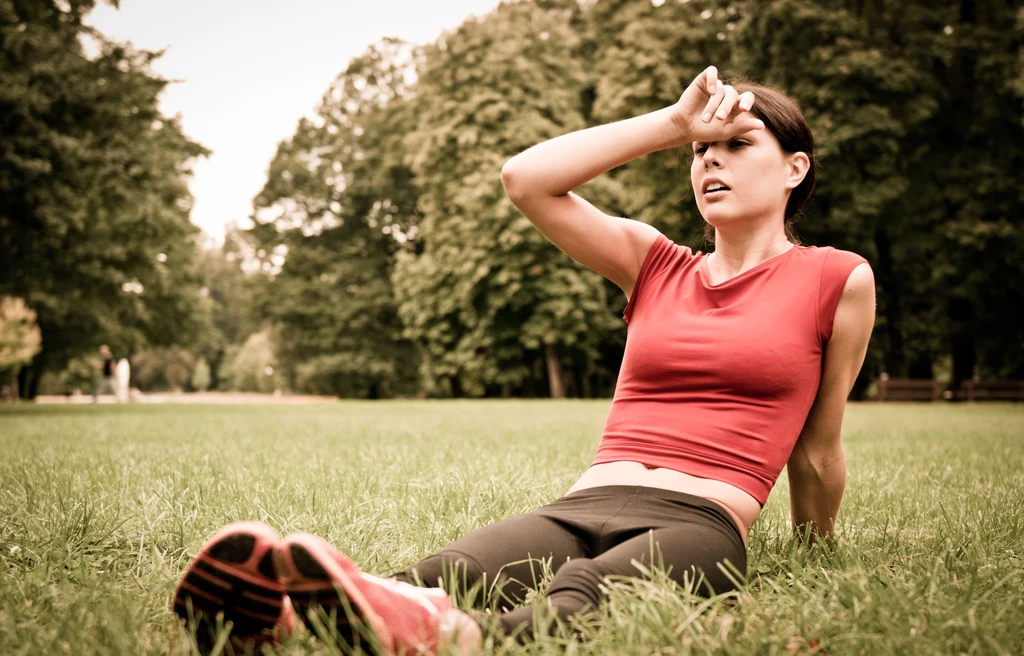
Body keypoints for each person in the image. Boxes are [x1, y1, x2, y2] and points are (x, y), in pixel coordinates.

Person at [171, 66, 875, 655]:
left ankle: (452, 640)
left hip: (701, 521)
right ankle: (285, 625)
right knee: (444, 572)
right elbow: (526, 179)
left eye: (735, 143)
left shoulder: (836, 279)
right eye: (701, 151)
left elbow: (818, 448)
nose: (710, 159)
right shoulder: (655, 264)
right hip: (584, 502)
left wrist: (814, 552)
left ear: (795, 167)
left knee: (581, 598)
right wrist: (672, 124)